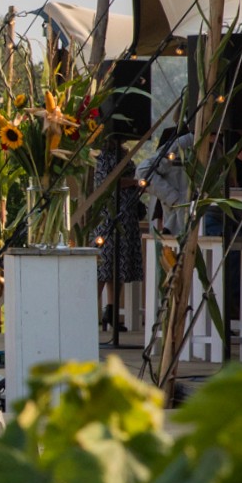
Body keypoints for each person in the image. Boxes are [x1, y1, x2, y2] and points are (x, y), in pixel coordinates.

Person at [92, 131, 145, 339]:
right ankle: (92, 311)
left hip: (125, 212)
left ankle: (112, 311)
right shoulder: (104, 155)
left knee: (119, 265)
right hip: (110, 214)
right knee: (104, 264)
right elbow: (110, 181)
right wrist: (134, 182)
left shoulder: (122, 153)